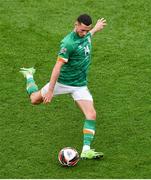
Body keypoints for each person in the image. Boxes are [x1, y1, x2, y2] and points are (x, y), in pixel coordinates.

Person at [20, 14, 107, 159]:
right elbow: (57, 67)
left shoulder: (86, 35)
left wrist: (95, 29)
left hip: (79, 85)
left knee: (91, 114)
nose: (85, 33)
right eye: (82, 30)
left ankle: (86, 150)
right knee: (34, 100)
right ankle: (29, 75)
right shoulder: (68, 43)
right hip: (62, 83)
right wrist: (51, 91)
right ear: (76, 24)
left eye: (88, 30)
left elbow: (88, 36)